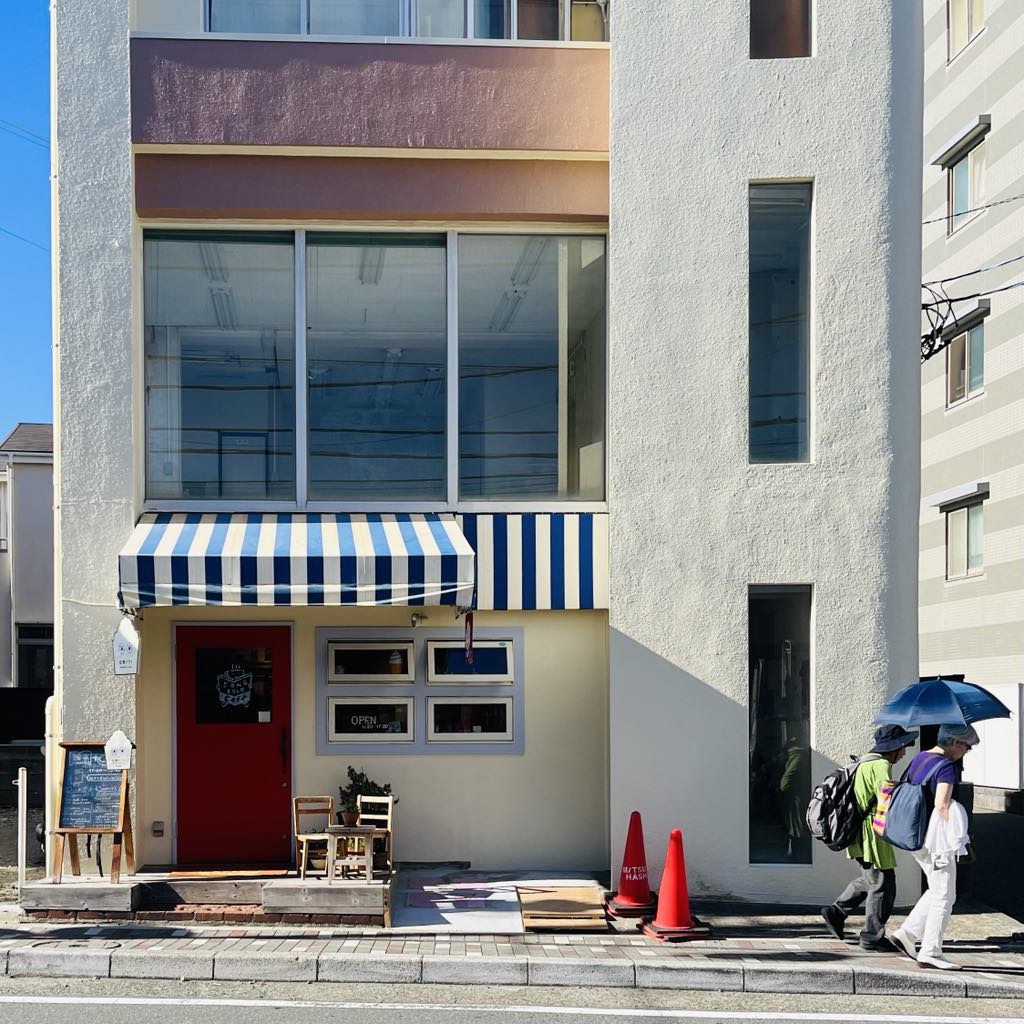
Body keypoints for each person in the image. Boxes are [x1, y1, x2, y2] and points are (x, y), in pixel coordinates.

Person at [820, 724, 918, 950]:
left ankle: (836, 911)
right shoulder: (880, 765)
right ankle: (872, 936)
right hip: (872, 833)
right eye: (903, 747)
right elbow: (885, 798)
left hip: (856, 831)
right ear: (893, 748)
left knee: (871, 878)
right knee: (883, 885)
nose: (904, 752)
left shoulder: (863, 763)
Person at [891, 723, 979, 970]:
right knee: (945, 896)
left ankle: (907, 933)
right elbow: (942, 804)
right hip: (936, 841)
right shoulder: (946, 767)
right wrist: (957, 834)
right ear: (955, 742)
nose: (967, 751)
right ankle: (931, 951)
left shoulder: (920, 758)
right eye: (968, 746)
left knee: (937, 888)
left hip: (914, 835)